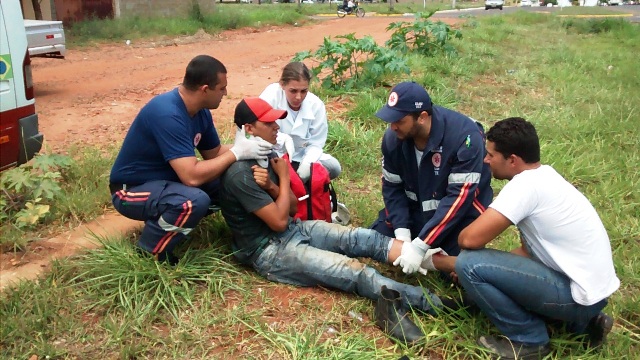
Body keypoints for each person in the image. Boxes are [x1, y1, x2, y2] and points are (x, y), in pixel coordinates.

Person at [219, 97, 457, 344]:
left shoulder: (265, 157)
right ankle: (435, 302)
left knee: (363, 237)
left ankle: (438, 263)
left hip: (291, 229)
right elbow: (278, 222)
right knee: (356, 272)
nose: (277, 127)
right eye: (269, 123)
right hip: (267, 250)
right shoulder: (240, 174)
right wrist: (282, 178)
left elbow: (291, 208)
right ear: (249, 129)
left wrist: (272, 184)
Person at [451, 117, 619, 359]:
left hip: (578, 297)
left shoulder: (525, 186)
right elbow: (528, 253)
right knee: (478, 267)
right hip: (594, 293)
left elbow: (469, 240)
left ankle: (529, 340)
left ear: (512, 160)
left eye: (490, 155)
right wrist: (492, 272)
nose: (485, 160)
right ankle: (584, 325)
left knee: (468, 263)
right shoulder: (546, 177)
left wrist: (461, 266)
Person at [109, 55, 272, 265]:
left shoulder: (200, 112)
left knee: (233, 176)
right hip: (130, 190)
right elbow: (192, 177)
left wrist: (251, 148)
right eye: (221, 88)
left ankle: (249, 234)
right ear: (205, 89)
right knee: (192, 200)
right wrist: (237, 152)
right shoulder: (168, 113)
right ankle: (149, 253)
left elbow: (213, 154)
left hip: (168, 181)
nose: (226, 93)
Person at [370, 81, 493, 274]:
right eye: (390, 120)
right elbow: (392, 188)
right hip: (416, 211)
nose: (392, 127)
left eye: (399, 121)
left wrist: (420, 246)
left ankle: (442, 257)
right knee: (376, 241)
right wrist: (403, 236)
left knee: (461, 269)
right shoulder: (393, 139)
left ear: (422, 117)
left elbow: (458, 200)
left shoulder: (465, 139)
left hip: (457, 218)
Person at [259, 62, 341, 182]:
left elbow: (316, 143)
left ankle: (299, 185)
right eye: (293, 91)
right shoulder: (271, 96)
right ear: (282, 84)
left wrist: (307, 163)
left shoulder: (316, 105)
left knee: (333, 167)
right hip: (272, 154)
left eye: (304, 91)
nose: (298, 97)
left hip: (300, 156)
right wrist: (282, 140)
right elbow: (259, 128)